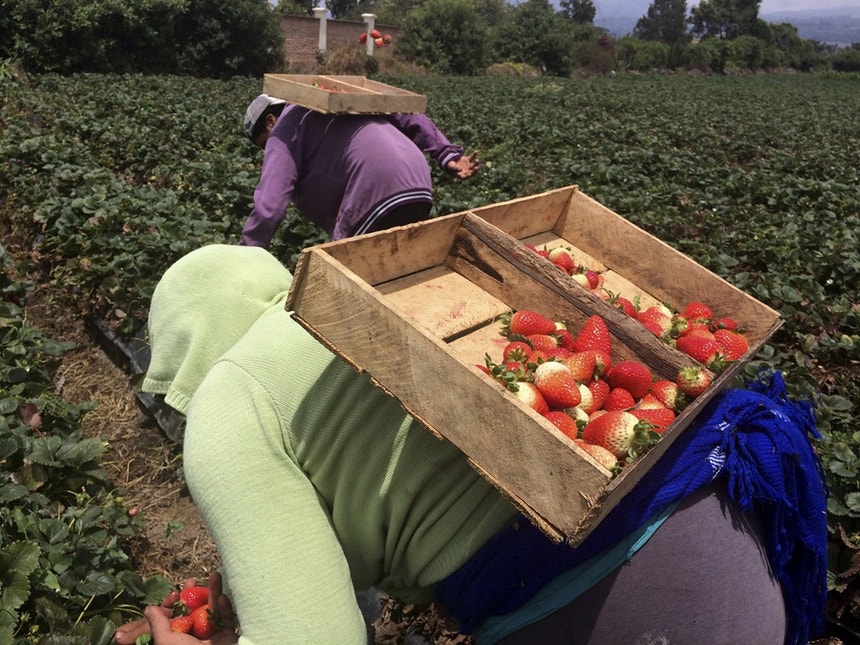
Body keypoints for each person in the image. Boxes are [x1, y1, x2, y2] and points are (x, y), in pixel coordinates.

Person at [113, 244, 828, 645]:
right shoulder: (361, 296)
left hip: (608, 605)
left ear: (182, 356)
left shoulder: (226, 407)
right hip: (735, 519)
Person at [240, 94, 480, 248]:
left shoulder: (284, 128)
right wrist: (446, 153)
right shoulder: (337, 98)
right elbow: (404, 111)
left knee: (344, 279)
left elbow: (270, 205)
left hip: (373, 187)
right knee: (397, 265)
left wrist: (246, 253)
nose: (267, 150)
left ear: (271, 121)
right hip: (418, 181)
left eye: (263, 144)